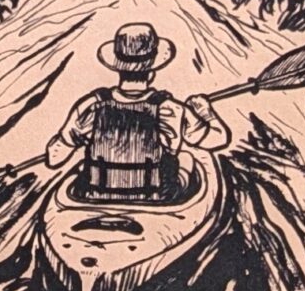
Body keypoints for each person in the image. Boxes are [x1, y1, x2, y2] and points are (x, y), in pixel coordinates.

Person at [46, 22, 226, 205]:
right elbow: (218, 139)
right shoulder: (171, 109)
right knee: (186, 158)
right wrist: (205, 111)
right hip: (156, 198)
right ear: (152, 71)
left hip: (94, 196)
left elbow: (54, 158)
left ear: (118, 68)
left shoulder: (91, 106)